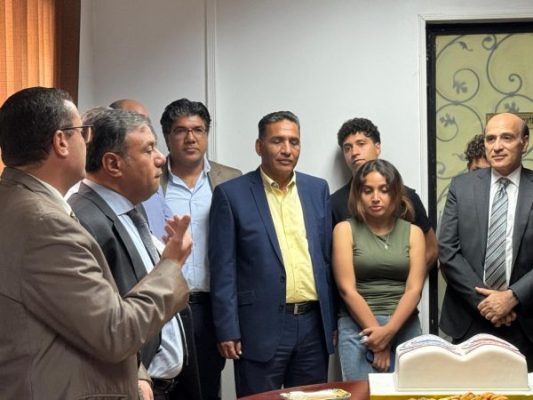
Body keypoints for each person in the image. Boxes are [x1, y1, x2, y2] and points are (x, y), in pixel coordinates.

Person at [0, 86, 191, 399]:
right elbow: (115, 331)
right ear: (61, 141)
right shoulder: (45, 223)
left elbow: (78, 317)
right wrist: (171, 265)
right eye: (82, 132)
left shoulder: (18, 203)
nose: (87, 141)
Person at [68, 108, 196, 400]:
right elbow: (99, 323)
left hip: (164, 385)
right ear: (113, 164)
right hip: (132, 387)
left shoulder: (129, 208)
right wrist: (172, 262)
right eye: (149, 149)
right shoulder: (84, 220)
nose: (161, 158)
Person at [208, 111, 336, 397]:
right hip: (259, 326)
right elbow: (223, 267)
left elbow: (327, 260)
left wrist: (331, 320)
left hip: (313, 326)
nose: (287, 149)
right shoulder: (231, 194)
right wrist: (227, 328)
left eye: (294, 142)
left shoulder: (317, 190)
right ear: (259, 146)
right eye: (277, 141)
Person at [146, 98, 241, 400]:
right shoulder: (149, 181)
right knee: (161, 388)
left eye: (198, 130)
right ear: (167, 137)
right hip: (164, 305)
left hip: (210, 306)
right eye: (181, 131)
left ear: (207, 134)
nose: (191, 138)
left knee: (206, 390)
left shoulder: (230, 180)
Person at [439, 112, 533, 371]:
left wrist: (513, 297)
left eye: (507, 138)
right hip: (469, 317)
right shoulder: (461, 186)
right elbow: (447, 250)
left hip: (525, 321)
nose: (497, 146)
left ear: (524, 142)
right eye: (491, 139)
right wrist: (488, 303)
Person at [332, 159, 426, 380]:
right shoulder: (344, 230)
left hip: (403, 325)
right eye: (368, 191)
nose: (376, 197)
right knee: (362, 394)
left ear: (395, 193)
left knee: (411, 394)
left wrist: (387, 333)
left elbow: (414, 290)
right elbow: (347, 290)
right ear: (358, 194)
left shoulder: (414, 233)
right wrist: (378, 340)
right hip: (358, 328)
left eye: (384, 190)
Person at [330, 117, 438, 267]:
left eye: (361, 144)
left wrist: (409, 278)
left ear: (377, 147)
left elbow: (431, 248)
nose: (354, 152)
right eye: (347, 148)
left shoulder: (406, 196)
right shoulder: (334, 203)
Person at [109, 98, 172, 240]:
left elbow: (171, 229)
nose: (161, 159)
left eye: (146, 121)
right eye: (134, 119)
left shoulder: (152, 182)